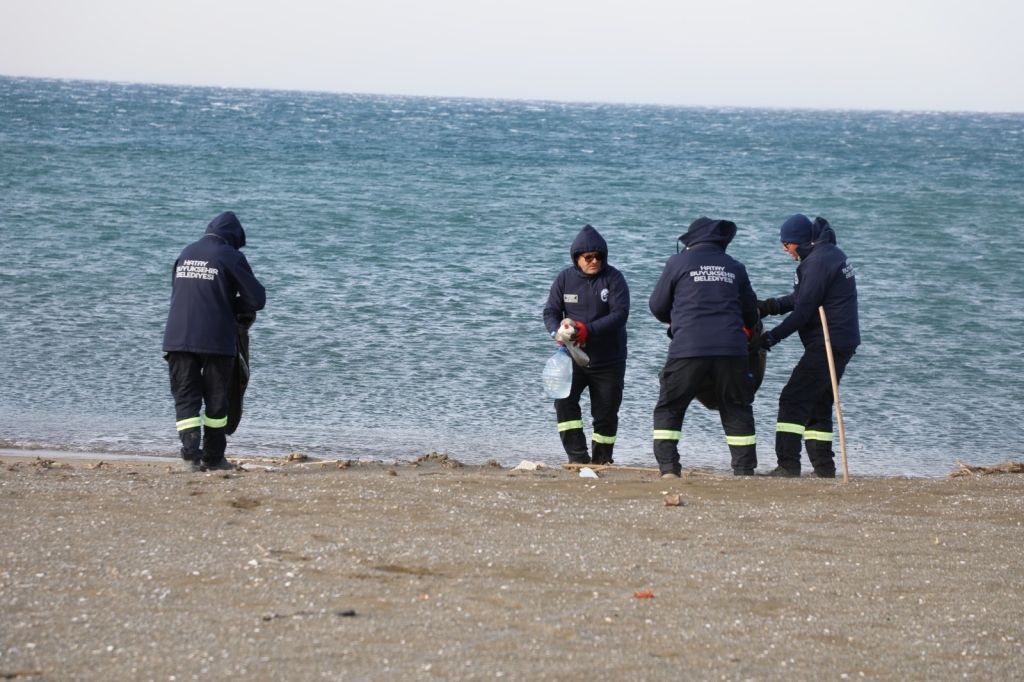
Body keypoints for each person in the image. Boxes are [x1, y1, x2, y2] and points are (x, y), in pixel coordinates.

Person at [648, 217, 760, 477]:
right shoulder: (735, 266)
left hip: (688, 347)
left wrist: (677, 319)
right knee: (736, 407)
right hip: (731, 349)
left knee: (670, 406)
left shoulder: (677, 262)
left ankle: (669, 469)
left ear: (690, 241)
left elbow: (657, 306)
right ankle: (744, 472)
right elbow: (750, 314)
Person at [162, 212, 266, 471]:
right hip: (216, 339)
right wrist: (232, 307)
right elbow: (257, 299)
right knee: (217, 403)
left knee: (186, 398)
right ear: (234, 238)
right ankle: (214, 458)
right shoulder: (231, 256)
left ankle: (190, 457)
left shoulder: (186, 252)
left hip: (177, 338)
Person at [758, 214, 860, 478]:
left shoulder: (817, 263)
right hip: (842, 341)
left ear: (799, 241)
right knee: (818, 403)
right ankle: (824, 469)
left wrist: (770, 338)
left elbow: (803, 312)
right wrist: (769, 307)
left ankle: (788, 466)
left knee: (792, 399)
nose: (784, 249)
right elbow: (803, 298)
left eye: (786, 244)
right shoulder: (826, 253)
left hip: (828, 343)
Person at [543, 225, 630, 465]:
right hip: (573, 358)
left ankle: (602, 462)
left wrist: (587, 330)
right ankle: (578, 458)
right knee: (564, 403)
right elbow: (550, 312)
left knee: (606, 414)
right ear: (577, 258)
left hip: (609, 360)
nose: (594, 261)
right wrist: (556, 332)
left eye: (599, 256)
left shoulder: (614, 278)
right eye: (588, 257)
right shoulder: (564, 279)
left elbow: (620, 314)